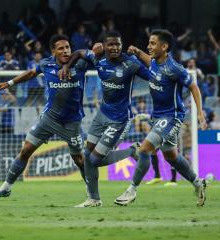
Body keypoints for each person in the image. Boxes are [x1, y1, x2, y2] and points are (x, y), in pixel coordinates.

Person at [0, 34, 94, 200]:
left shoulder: (81, 63)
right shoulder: (47, 63)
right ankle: (6, 187)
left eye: (67, 47)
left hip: (72, 122)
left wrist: (81, 52)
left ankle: (91, 191)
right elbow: (31, 73)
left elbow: (98, 49)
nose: (65, 51)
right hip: (49, 119)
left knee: (80, 160)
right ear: (53, 51)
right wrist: (9, 83)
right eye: (61, 48)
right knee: (25, 150)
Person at [114, 29, 208, 207]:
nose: (149, 46)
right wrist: (137, 52)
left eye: (153, 43)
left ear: (164, 47)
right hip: (157, 117)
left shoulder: (175, 69)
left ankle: (131, 190)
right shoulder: (156, 62)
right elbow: (150, 62)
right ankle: (198, 183)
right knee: (171, 157)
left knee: (144, 150)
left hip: (171, 117)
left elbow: (194, 87)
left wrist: (200, 113)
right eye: (148, 43)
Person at [60, 31, 150, 207]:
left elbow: (152, 74)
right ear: (104, 46)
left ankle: (132, 151)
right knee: (87, 155)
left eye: (118, 44)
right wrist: (67, 67)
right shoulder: (97, 58)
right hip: (102, 115)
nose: (115, 47)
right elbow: (78, 53)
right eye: (111, 44)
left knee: (93, 160)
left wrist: (140, 53)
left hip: (119, 119)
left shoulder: (130, 64)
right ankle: (93, 199)